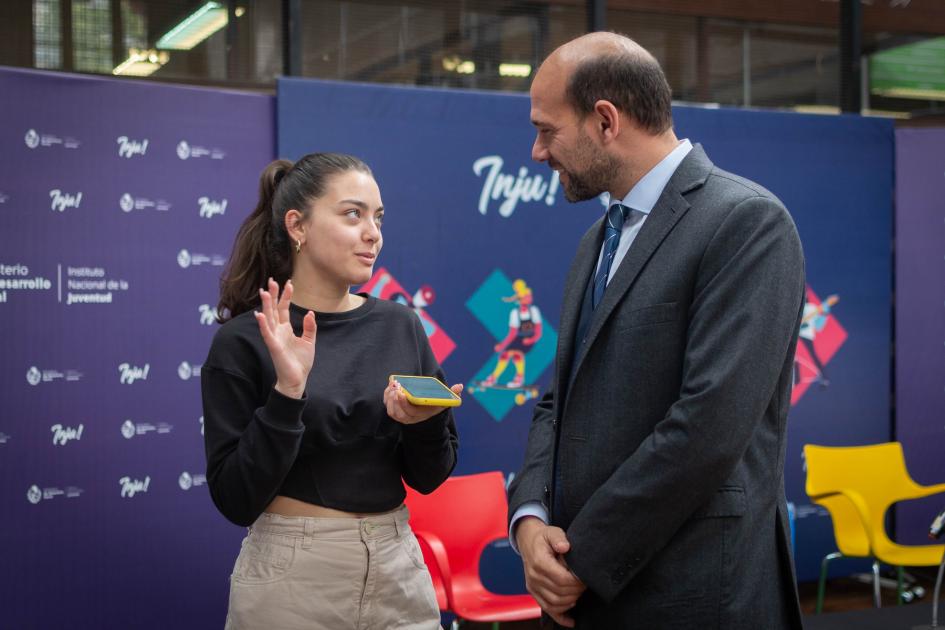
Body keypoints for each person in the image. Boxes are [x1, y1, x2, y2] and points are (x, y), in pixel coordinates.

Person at [507, 33, 806, 629]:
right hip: (586, 591)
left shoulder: (747, 223)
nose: (538, 152)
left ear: (605, 121)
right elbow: (559, 400)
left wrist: (583, 557)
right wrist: (531, 522)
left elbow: (709, 425)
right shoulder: (599, 238)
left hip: (692, 595)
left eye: (547, 129)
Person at [202, 152, 460, 630]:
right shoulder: (244, 341)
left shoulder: (400, 325)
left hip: (397, 564)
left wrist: (424, 425)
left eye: (378, 217)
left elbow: (430, 476)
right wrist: (288, 392)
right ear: (297, 226)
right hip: (294, 577)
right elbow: (235, 498)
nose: (373, 233)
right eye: (352, 214)